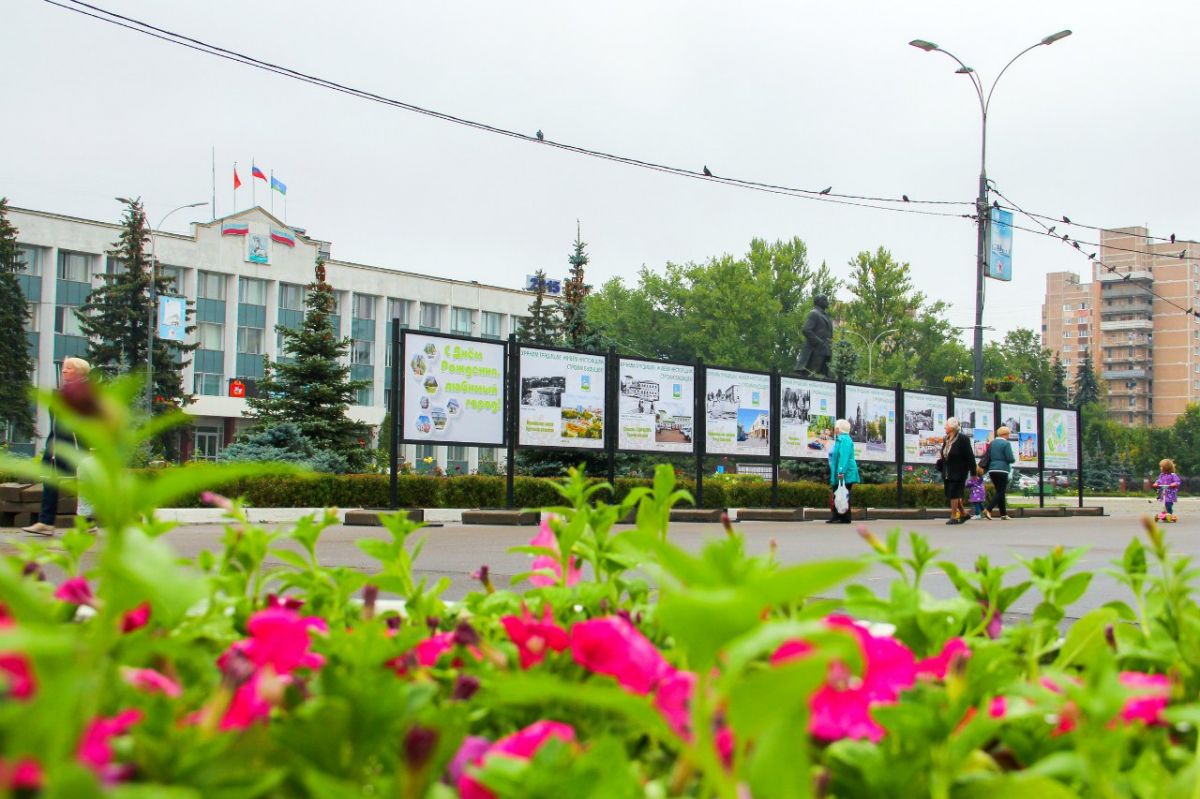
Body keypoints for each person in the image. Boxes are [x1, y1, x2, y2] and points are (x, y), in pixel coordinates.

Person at [22, 357, 93, 537]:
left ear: (80, 371)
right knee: (50, 479)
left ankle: (88, 523)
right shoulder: (64, 392)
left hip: (76, 446)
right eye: (63, 368)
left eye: (69, 368)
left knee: (82, 484)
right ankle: (46, 522)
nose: (64, 371)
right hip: (57, 445)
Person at [936, 417, 975, 525]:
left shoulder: (963, 439)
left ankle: (954, 516)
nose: (945, 427)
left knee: (954, 492)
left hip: (959, 470)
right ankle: (963, 513)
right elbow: (945, 453)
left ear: (952, 427)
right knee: (950, 493)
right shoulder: (946, 438)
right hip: (947, 470)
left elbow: (970, 456)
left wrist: (973, 473)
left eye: (946, 425)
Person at [827, 418, 860, 524]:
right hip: (843, 472)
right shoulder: (841, 439)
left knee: (842, 494)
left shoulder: (844, 440)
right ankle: (838, 516)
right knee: (838, 493)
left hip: (845, 473)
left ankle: (844, 517)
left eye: (836, 427)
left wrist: (841, 472)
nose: (835, 429)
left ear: (839, 428)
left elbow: (844, 458)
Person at [983, 426, 1016, 520]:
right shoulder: (1006, 443)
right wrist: (1012, 459)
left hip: (992, 470)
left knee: (999, 491)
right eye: (1008, 434)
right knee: (1001, 491)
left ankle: (1003, 514)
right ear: (1005, 434)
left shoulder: (992, 443)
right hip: (1002, 470)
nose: (1008, 436)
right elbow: (1010, 458)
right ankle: (988, 509)